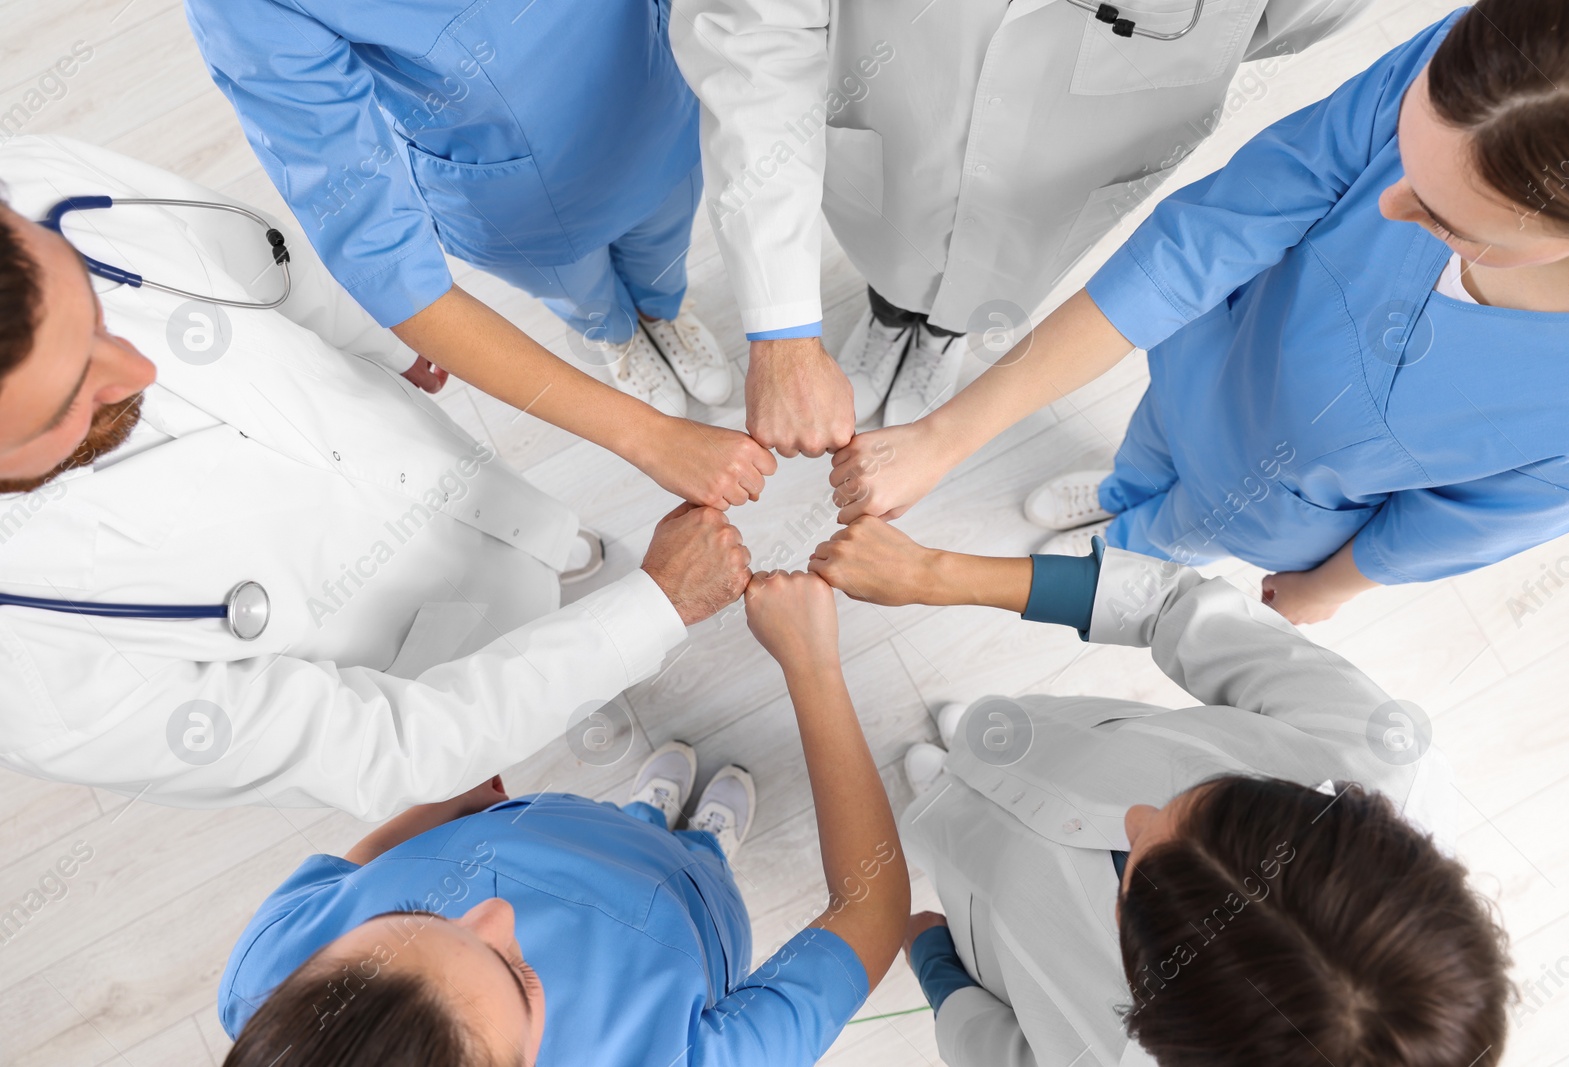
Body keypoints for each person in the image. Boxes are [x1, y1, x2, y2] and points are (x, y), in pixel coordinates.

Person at [0, 136, 751, 818]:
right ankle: (584, 681)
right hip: (433, 661)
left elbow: (255, 256)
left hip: (432, 469)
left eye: (98, 311)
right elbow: (384, 745)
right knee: (560, 667)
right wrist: (651, 611)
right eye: (76, 396)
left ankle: (568, 565)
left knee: (550, 546)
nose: (140, 366)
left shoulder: (29, 183)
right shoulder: (36, 685)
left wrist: (378, 337)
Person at [831, 0, 1569, 624]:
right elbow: (1207, 238)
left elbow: (1469, 520)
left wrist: (1330, 587)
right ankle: (1117, 489)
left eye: (1444, 221)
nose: (1385, 204)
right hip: (1210, 361)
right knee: (1147, 446)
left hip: (1268, 505)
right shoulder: (1502, 61)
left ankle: (1129, 539)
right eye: (1403, 153)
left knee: (1179, 529)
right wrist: (947, 435)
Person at [808, 517, 1512, 1066]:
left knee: (946, 826)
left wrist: (938, 971)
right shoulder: (1374, 749)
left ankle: (942, 795)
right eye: (1208, 793)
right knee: (990, 751)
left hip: (987, 901)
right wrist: (937, 573)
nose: (1137, 815)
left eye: (1134, 876)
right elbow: (1180, 608)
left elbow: (1006, 1051)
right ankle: (966, 761)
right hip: (1067, 741)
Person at [215, 569, 910, 1067]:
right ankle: (705, 847)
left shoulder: (265, 978)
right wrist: (813, 665)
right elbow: (872, 913)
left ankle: (647, 814)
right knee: (702, 863)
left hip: (556, 822)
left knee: (625, 820)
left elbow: (353, 867)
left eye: (410, 912)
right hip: (695, 913)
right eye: (517, 976)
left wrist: (455, 799)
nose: (496, 912)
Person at [670, 0, 1375, 454]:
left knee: (996, 278)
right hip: (899, 109)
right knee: (893, 252)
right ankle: (890, 318)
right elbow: (753, 31)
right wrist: (783, 325)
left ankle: (941, 339)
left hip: (1080, 147)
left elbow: (1289, 23)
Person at [186, 0, 776, 510]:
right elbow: (382, 255)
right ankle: (617, 335)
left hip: (655, 111)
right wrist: (646, 438)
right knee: (580, 291)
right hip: (514, 197)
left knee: (663, 248)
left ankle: (661, 312)